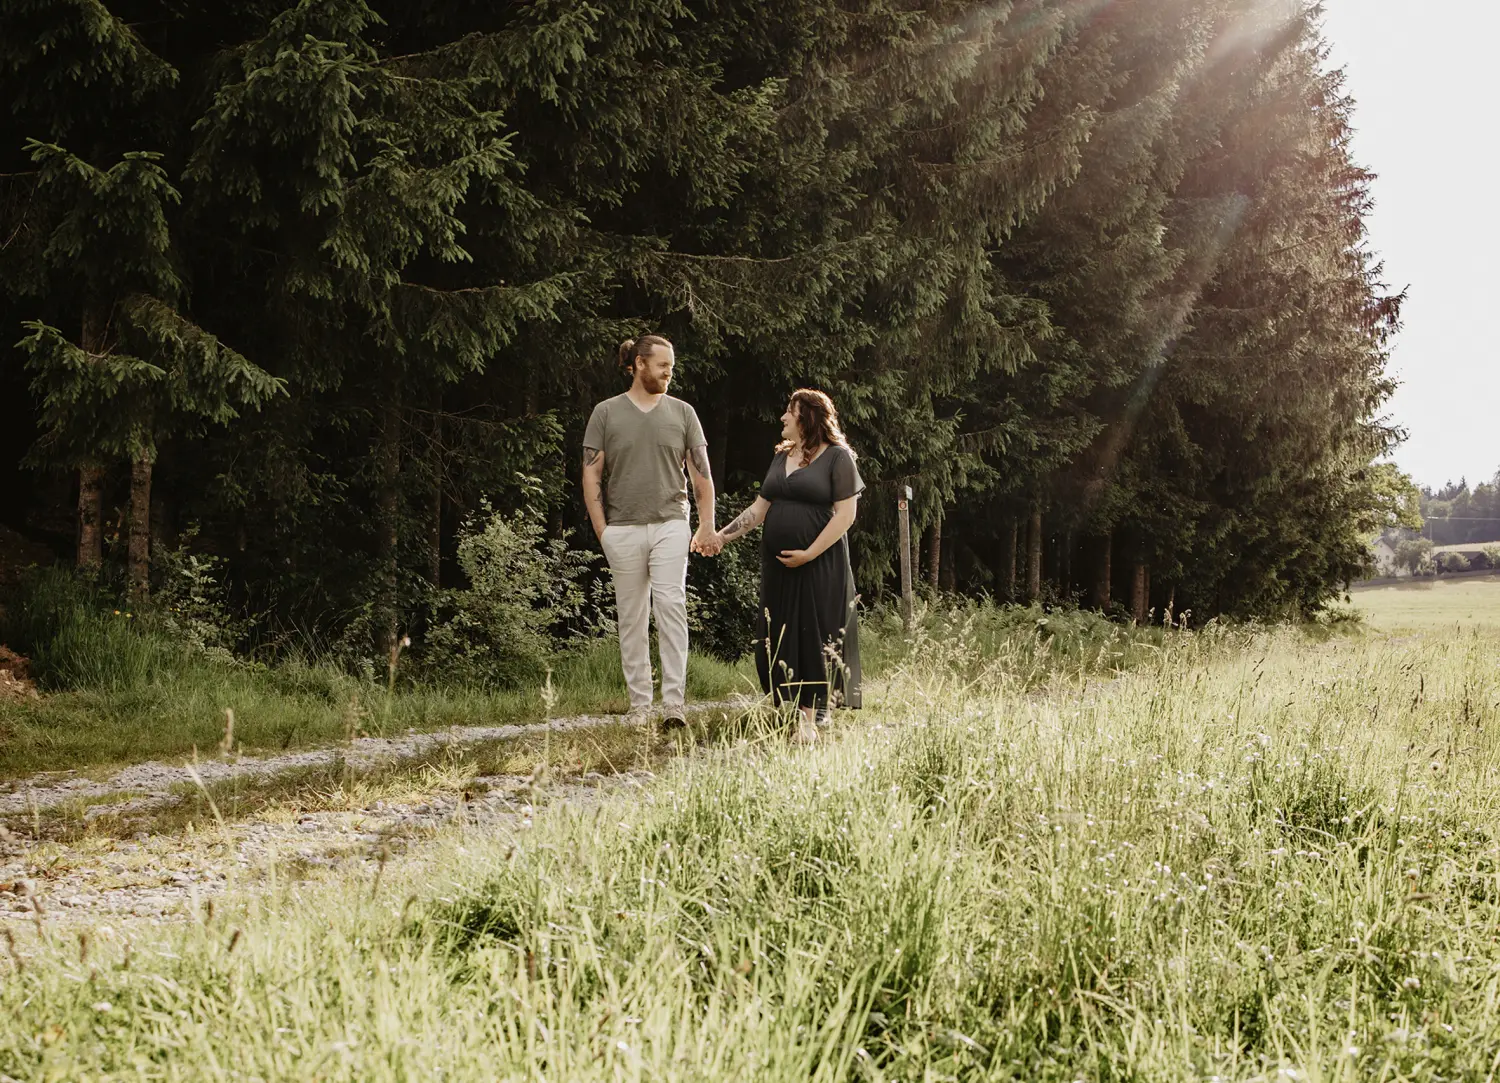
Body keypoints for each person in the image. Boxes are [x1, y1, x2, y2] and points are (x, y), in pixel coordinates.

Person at [582, 335, 720, 727]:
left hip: (671, 523)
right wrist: (603, 531)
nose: (668, 373)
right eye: (663, 366)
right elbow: (591, 474)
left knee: (671, 606)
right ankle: (640, 707)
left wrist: (706, 526)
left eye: (671, 367)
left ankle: (673, 705)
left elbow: (702, 475)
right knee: (632, 617)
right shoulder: (606, 413)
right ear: (639, 364)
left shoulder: (683, 413)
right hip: (621, 528)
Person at [714, 389, 862, 745]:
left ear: (806, 417)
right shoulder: (781, 457)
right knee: (779, 632)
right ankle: (796, 708)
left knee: (812, 632)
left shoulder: (838, 458)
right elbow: (757, 511)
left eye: (788, 411)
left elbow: (846, 515)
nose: (782, 417)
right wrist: (719, 537)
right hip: (778, 566)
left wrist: (810, 553)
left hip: (819, 562)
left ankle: (809, 720)